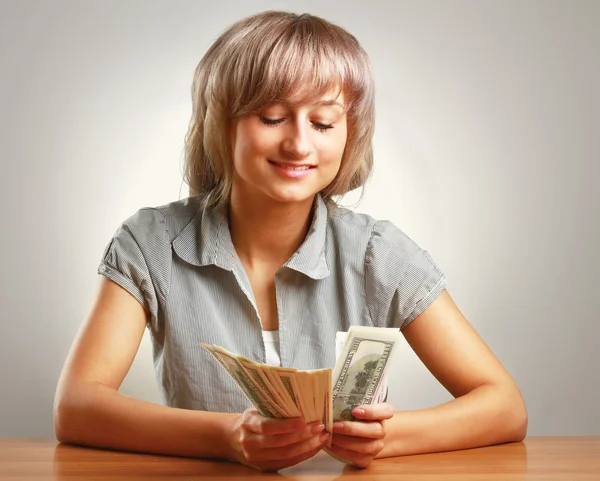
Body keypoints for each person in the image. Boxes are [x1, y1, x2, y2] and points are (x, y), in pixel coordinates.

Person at [53, 10, 528, 472]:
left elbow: (504, 406)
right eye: (272, 117)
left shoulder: (377, 253)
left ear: (349, 135)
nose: (300, 144)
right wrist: (227, 438)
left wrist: (386, 439)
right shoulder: (150, 242)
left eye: (323, 123)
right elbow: (76, 407)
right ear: (222, 123)